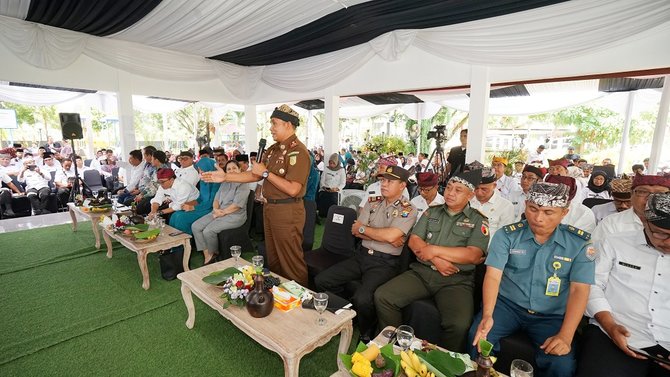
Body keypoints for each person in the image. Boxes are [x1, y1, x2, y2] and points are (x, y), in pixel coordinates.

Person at [469, 182, 595, 377]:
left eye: (548, 212)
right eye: (533, 209)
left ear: (564, 213)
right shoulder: (507, 235)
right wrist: (487, 315)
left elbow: (580, 290)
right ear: (525, 205)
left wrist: (566, 335)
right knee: (477, 339)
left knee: (561, 365)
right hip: (507, 307)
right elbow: (493, 276)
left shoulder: (578, 244)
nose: (538, 218)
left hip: (551, 316)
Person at [375, 169, 489, 352]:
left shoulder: (478, 220)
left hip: (456, 281)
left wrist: (433, 249)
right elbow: (414, 240)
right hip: (422, 272)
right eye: (449, 187)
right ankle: (395, 348)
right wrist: (436, 260)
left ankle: (441, 362)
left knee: (458, 324)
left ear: (470, 194)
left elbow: (473, 255)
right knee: (383, 296)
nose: (450, 193)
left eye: (458, 190)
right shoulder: (432, 211)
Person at [202, 104, 311, 286]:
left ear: (288, 125)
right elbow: (254, 174)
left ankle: (302, 300)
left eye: (275, 123)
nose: (271, 128)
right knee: (274, 258)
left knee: (291, 260)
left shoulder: (298, 152)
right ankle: (281, 296)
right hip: (270, 208)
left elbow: (293, 189)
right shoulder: (273, 149)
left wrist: (267, 173)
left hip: (287, 211)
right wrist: (226, 176)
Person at [315, 165, 416, 343]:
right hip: (360, 256)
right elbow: (355, 230)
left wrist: (371, 231)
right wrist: (383, 235)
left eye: (389, 181)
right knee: (323, 280)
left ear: (402, 186)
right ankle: (345, 314)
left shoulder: (408, 209)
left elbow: (390, 235)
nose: (383, 184)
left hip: (384, 263)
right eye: (383, 180)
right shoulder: (372, 201)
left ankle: (367, 331)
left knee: (363, 298)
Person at [576, 192, 670, 377]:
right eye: (660, 234)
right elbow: (592, 285)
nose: (668, 242)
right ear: (644, 222)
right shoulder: (616, 242)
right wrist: (609, 325)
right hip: (617, 332)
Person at [192, 160, 249, 265]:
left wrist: (222, 213)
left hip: (235, 216)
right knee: (196, 226)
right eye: (229, 169)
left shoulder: (243, 184)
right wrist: (216, 209)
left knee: (208, 231)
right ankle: (208, 255)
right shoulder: (224, 182)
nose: (231, 171)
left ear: (239, 170)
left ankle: (214, 253)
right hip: (219, 212)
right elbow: (216, 200)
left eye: (234, 168)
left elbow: (236, 206)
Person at [592, 174, 670, 241]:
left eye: (660, 193)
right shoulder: (611, 223)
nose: (650, 198)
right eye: (643, 192)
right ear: (632, 195)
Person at [169, 157, 220, 236]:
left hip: (210, 209)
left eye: (203, 169)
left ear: (210, 168)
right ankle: (172, 242)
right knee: (175, 215)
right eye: (199, 169)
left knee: (181, 218)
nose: (201, 172)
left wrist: (193, 208)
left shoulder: (217, 183)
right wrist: (189, 204)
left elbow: (211, 203)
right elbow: (200, 198)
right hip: (201, 207)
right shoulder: (203, 181)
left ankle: (183, 245)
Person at [470, 169, 515, 240]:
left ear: (494, 186)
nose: (479, 193)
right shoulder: (467, 201)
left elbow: (504, 236)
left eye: (484, 189)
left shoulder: (506, 206)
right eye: (476, 188)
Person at [318, 153, 346, 217]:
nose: (331, 165)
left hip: (336, 190)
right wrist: (324, 187)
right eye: (330, 163)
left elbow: (343, 183)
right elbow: (322, 180)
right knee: (323, 196)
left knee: (333, 198)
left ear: (337, 163)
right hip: (326, 189)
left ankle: (332, 215)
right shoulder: (326, 169)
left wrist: (337, 188)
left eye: (333, 163)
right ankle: (323, 214)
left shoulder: (341, 170)